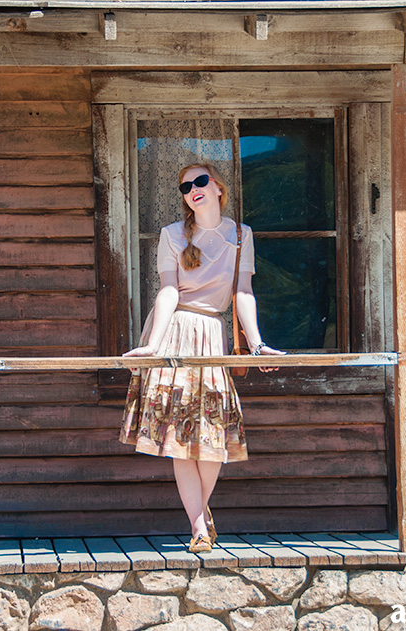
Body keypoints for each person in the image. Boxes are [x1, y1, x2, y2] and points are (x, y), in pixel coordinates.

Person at [120, 163, 284, 554]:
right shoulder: (172, 235)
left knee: (211, 434)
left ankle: (200, 513)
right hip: (175, 332)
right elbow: (168, 291)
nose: (192, 188)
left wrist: (257, 344)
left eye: (200, 181)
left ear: (218, 189)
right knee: (180, 436)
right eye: (185, 185)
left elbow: (242, 293)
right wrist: (154, 345)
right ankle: (198, 527)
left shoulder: (241, 236)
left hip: (213, 335)